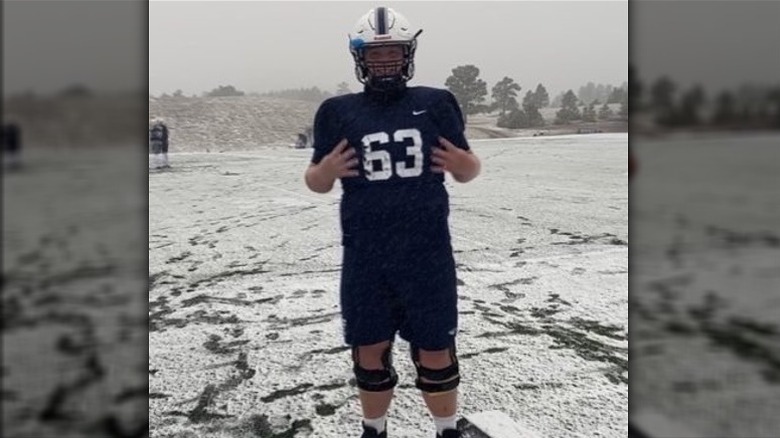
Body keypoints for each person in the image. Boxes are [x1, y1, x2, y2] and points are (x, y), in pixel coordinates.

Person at [303, 7, 481, 438]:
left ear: (409, 53)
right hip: (366, 254)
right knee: (369, 350)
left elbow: (468, 168)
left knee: (436, 348)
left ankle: (445, 429)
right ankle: (374, 429)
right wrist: (325, 172)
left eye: (394, 52)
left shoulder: (436, 103)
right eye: (375, 54)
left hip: (426, 253)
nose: (385, 61)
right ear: (359, 57)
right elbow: (315, 180)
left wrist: (465, 164)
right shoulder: (336, 111)